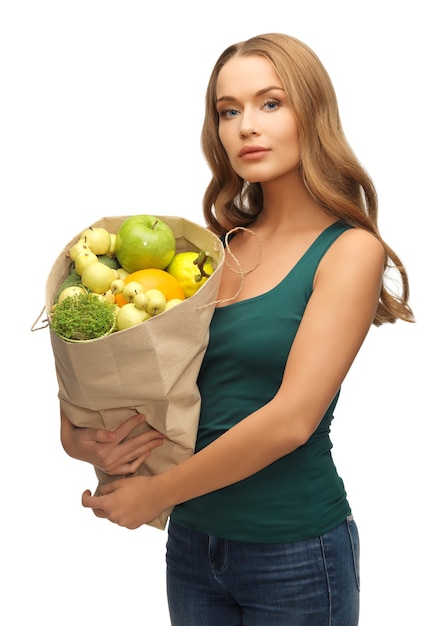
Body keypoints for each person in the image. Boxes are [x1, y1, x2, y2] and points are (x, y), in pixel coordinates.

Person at [61, 33, 414, 625]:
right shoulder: (210, 251)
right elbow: (146, 377)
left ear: (313, 113)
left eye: (270, 103)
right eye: (229, 111)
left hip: (296, 553)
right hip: (194, 546)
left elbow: (291, 420)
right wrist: (79, 436)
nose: (247, 125)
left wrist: (157, 494)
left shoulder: (350, 251)